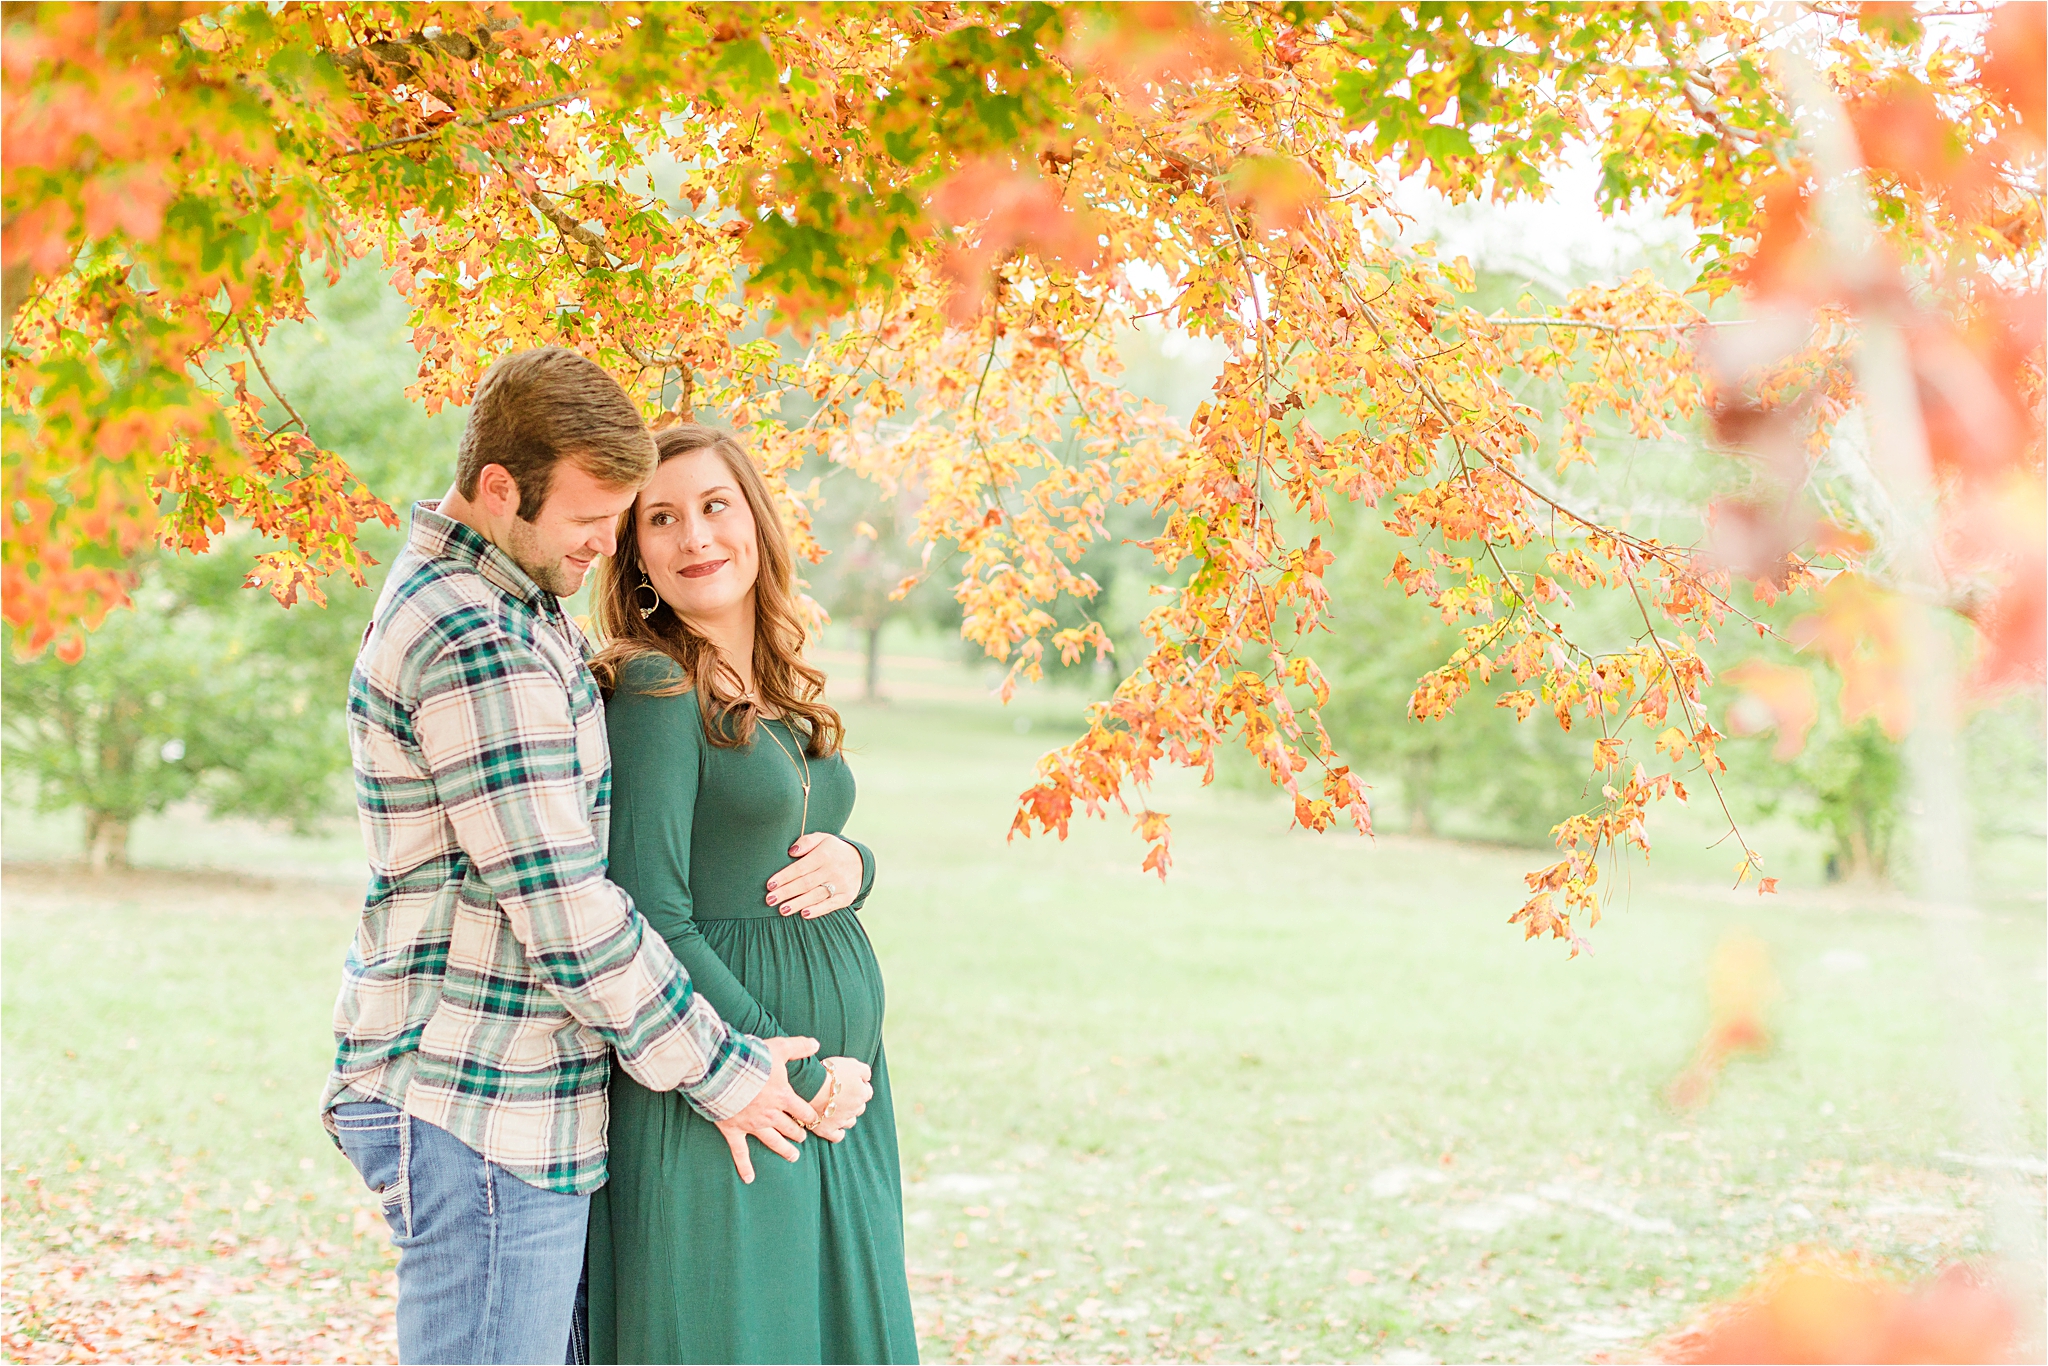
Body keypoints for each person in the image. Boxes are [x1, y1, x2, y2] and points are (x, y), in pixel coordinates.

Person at [319, 348, 871, 1365]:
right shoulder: (476, 633)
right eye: (591, 521)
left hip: (523, 1109)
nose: (604, 547)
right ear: (498, 490)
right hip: (477, 1104)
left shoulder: (519, 605)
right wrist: (725, 1069)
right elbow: (569, 908)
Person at [580, 422, 917, 1365]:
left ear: (757, 523)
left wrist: (860, 867)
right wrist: (780, 1068)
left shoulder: (774, 683)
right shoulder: (654, 685)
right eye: (663, 519)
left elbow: (805, 838)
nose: (695, 538)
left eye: (714, 507)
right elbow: (647, 907)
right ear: (636, 552)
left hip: (842, 1098)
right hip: (738, 1087)